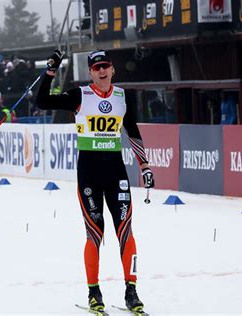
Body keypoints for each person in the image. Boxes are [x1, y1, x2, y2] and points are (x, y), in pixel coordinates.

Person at [36, 49, 154, 314]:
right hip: (89, 172)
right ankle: (93, 291)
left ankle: (131, 291)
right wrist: (50, 72)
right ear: (90, 72)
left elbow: (132, 130)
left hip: (115, 172)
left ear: (113, 69)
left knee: (126, 231)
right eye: (97, 67)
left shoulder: (123, 97)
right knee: (95, 232)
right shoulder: (80, 95)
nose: (102, 71)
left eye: (106, 66)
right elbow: (42, 101)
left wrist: (144, 164)